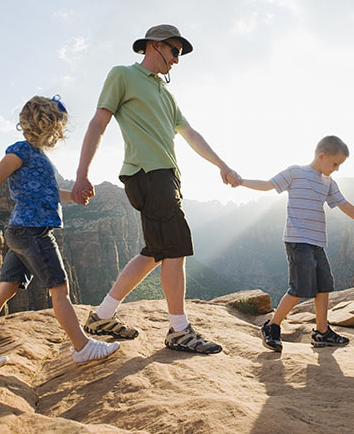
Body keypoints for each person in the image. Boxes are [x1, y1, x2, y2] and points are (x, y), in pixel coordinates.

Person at [71, 24, 239, 354]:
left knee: (155, 251)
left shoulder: (165, 92)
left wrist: (221, 164)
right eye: (175, 51)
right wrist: (81, 174)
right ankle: (179, 330)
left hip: (168, 177)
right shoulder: (122, 75)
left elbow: (190, 134)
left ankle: (102, 316)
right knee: (175, 249)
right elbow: (98, 123)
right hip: (148, 174)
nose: (177, 60)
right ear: (154, 46)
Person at [0, 95, 120, 370]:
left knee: (3, 292)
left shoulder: (39, 157)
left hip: (22, 232)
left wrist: (73, 196)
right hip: (33, 233)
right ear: (52, 127)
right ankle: (83, 347)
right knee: (60, 290)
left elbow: (48, 193)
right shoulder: (20, 152)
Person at [234, 136, 354, 352]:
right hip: (297, 240)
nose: (336, 169)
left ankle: (322, 332)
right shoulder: (296, 172)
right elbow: (268, 185)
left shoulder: (329, 183)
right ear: (321, 156)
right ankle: (272, 326)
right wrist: (241, 181)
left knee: (324, 286)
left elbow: (344, 204)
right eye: (335, 164)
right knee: (299, 289)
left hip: (317, 242)